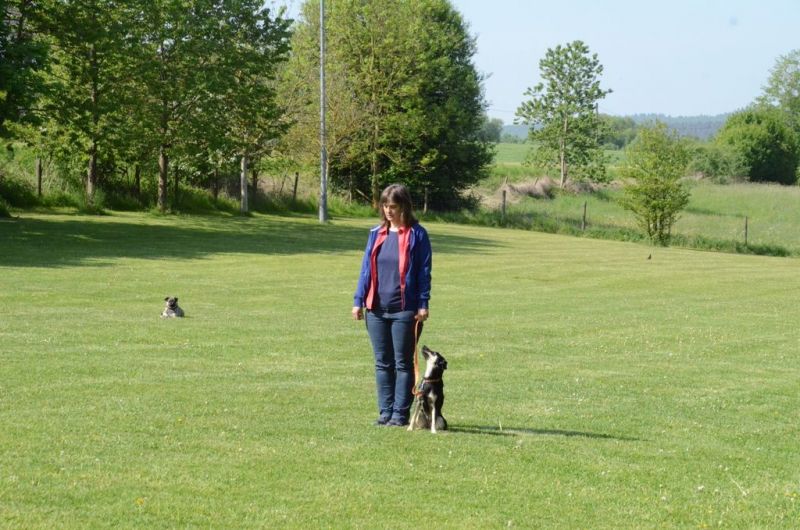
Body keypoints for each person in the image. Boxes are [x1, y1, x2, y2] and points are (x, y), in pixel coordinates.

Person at [352, 183, 432, 427]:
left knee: (403, 363)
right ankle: (385, 412)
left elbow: (424, 272)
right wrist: (358, 300)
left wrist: (423, 303)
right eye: (385, 206)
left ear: (404, 206)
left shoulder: (418, 235)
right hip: (376, 309)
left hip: (405, 310)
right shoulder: (376, 233)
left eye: (393, 206)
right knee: (382, 362)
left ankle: (399, 414)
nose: (388, 210)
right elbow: (366, 269)